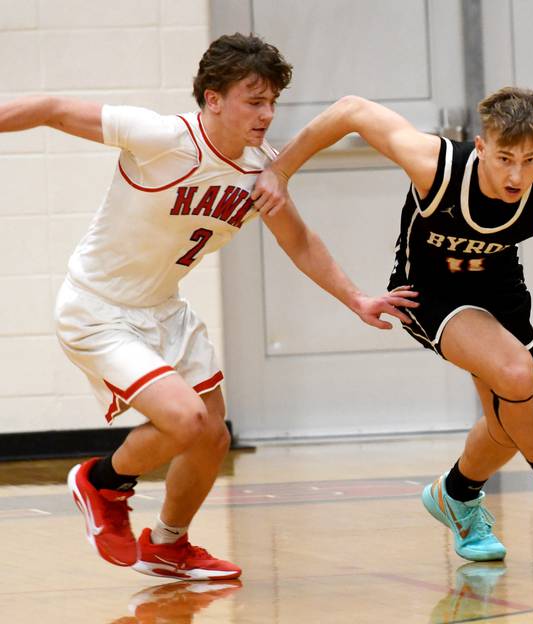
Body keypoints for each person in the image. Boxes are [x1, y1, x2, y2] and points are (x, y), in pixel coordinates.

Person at [0, 33, 417, 580]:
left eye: (272, 101)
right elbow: (53, 109)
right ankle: (102, 481)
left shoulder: (261, 169)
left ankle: (169, 543)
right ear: (213, 99)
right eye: (254, 99)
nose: (267, 114)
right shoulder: (163, 137)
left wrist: (356, 297)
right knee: (188, 421)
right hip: (98, 308)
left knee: (214, 436)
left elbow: (299, 240)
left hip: (164, 311)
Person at [251, 87, 533, 561]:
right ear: (482, 146)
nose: (516, 174)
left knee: (508, 426)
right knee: (516, 374)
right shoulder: (436, 166)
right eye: (504, 158)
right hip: (428, 292)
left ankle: (457, 496)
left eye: (530, 160)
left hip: (500, 293)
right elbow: (351, 109)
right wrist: (280, 170)